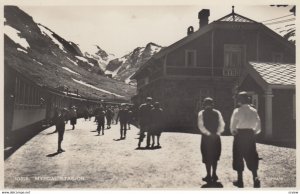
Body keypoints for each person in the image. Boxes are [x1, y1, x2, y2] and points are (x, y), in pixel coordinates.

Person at [230, 91, 261, 188]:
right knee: (252, 155)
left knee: (238, 156)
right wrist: (255, 132)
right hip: (250, 135)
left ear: (240, 101)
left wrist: (234, 132)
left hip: (240, 135)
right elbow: (258, 123)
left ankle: (240, 180)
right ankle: (255, 177)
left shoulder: (237, 111)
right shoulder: (254, 111)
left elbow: (233, 125)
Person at [198, 97, 225, 183]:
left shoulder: (201, 113)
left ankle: (209, 175)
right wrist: (217, 133)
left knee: (207, 156)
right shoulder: (217, 112)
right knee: (214, 156)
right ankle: (214, 174)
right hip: (215, 138)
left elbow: (201, 126)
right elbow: (222, 124)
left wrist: (209, 134)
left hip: (206, 138)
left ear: (203, 104)